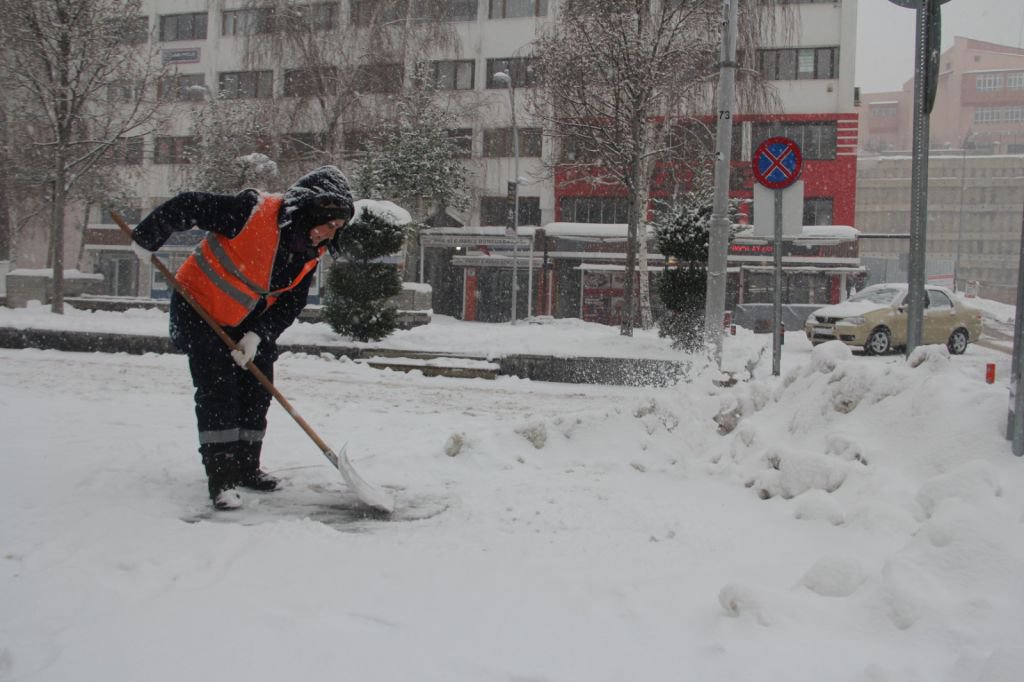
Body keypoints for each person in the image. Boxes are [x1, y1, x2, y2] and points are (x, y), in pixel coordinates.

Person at [130, 166, 354, 510]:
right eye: (328, 223)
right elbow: (188, 205)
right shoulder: (250, 212)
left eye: (337, 228)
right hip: (199, 310)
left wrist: (259, 335)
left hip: (249, 323)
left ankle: (247, 468)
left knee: (257, 390)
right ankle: (222, 479)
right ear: (308, 212)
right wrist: (148, 236)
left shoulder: (309, 252)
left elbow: (291, 303)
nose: (329, 233)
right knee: (219, 392)